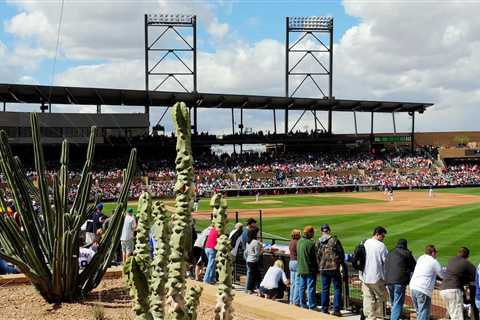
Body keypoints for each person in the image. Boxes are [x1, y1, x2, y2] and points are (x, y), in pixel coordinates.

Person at [360, 226, 388, 320]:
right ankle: (379, 317)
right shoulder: (381, 246)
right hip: (376, 277)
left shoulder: (365, 242)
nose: (383, 239)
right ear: (377, 234)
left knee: (368, 298)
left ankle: (370, 318)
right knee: (382, 297)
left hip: (364, 276)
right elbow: (386, 261)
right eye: (382, 236)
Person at [440, 247, 476, 320]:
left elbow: (456, 272)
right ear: (467, 256)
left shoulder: (451, 260)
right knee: (457, 317)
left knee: (453, 314)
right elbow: (475, 276)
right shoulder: (466, 263)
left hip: (443, 290)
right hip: (453, 291)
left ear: (458, 253)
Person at [409, 245, 444, 320]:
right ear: (433, 253)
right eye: (436, 253)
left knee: (419, 312)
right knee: (424, 312)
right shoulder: (434, 261)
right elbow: (442, 275)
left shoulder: (421, 258)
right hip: (423, 290)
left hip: (413, 287)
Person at [316, 224, 345, 316]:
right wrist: (340, 263)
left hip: (323, 268)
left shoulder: (318, 242)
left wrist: (320, 264)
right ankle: (336, 310)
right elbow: (341, 253)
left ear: (322, 231)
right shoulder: (334, 240)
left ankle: (324, 309)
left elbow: (316, 255)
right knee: (337, 288)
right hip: (334, 267)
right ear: (329, 231)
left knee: (325, 289)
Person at [384, 239, 416, 320]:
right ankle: (394, 318)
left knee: (394, 302)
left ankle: (397, 317)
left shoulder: (390, 252)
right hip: (399, 281)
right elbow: (414, 266)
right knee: (397, 302)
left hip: (388, 281)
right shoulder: (407, 253)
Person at [297, 225, 318, 310]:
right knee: (311, 288)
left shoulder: (299, 241)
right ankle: (312, 306)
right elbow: (314, 258)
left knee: (302, 287)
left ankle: (302, 304)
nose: (313, 234)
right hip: (309, 269)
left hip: (301, 268)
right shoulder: (311, 243)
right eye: (312, 232)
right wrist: (316, 269)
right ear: (309, 233)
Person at [244, 228, 262, 294]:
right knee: (254, 276)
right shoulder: (255, 242)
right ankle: (250, 289)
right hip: (254, 261)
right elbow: (257, 254)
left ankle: (256, 289)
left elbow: (246, 252)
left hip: (249, 260)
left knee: (256, 275)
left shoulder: (248, 241)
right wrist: (262, 251)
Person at [289, 229, 301, 305]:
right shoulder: (298, 242)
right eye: (299, 234)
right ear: (296, 235)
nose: (300, 235)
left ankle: (291, 300)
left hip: (291, 262)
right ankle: (295, 301)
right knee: (297, 283)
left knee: (293, 283)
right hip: (296, 262)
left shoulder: (291, 242)